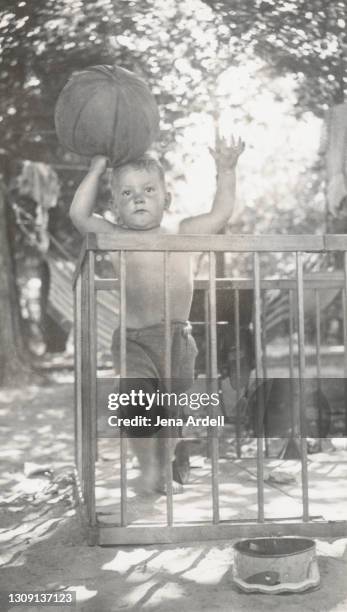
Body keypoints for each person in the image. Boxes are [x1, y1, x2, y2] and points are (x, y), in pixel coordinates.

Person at [69, 134, 245, 496]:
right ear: (115, 205)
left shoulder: (182, 233)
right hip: (134, 341)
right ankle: (149, 468)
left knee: (170, 412)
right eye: (127, 193)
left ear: (167, 198)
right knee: (138, 403)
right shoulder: (116, 237)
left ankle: (166, 465)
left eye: (148, 190)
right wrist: (97, 168)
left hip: (178, 340)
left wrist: (226, 170)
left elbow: (221, 214)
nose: (138, 198)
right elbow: (79, 215)